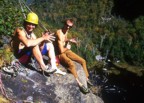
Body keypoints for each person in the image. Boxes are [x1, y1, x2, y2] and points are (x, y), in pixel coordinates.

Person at [53, 19, 93, 94]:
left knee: (83, 61)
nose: (68, 28)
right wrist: (67, 47)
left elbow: (64, 39)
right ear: (64, 24)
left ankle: (86, 78)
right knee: (71, 64)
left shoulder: (66, 31)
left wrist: (69, 40)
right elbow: (61, 50)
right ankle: (79, 83)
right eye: (67, 25)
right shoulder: (59, 33)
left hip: (65, 49)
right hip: (59, 53)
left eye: (70, 27)